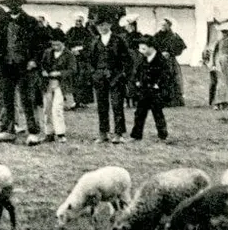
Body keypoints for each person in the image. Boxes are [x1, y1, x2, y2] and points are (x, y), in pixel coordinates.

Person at [0, 0, 45, 145]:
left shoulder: (30, 21)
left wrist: (34, 60)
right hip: (6, 65)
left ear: (20, 5)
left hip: (25, 66)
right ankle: (8, 130)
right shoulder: (2, 21)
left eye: (15, 5)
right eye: (9, 5)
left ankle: (33, 132)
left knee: (27, 99)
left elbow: (40, 44)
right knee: (7, 99)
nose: (12, 8)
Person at [87, 14, 133, 143]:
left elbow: (127, 60)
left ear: (110, 25)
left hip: (115, 77)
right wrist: (94, 74)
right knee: (102, 106)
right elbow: (91, 61)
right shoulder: (95, 42)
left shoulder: (119, 40)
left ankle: (119, 134)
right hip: (100, 78)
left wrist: (122, 75)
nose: (102, 27)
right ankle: (103, 133)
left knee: (117, 105)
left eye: (104, 24)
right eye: (99, 25)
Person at [130, 35, 170, 143]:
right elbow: (137, 72)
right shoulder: (142, 59)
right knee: (139, 113)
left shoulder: (160, 60)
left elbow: (165, 74)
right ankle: (136, 135)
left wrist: (159, 84)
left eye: (143, 49)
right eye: (140, 48)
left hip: (155, 91)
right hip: (143, 90)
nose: (141, 51)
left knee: (157, 113)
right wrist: (137, 81)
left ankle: (162, 135)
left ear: (152, 47)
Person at [40, 35, 76, 142]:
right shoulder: (47, 52)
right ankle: (48, 133)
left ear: (63, 43)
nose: (55, 46)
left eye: (58, 44)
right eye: (53, 44)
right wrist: (43, 71)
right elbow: (42, 65)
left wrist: (60, 73)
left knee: (57, 108)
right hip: (47, 83)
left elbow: (72, 70)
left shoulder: (69, 54)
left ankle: (60, 133)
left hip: (61, 84)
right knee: (47, 109)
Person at [154, 18, 187, 107]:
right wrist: (160, 53)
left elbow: (180, 47)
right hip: (159, 61)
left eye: (164, 25)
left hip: (170, 61)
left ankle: (173, 101)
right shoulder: (156, 36)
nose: (162, 27)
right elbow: (152, 47)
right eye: (161, 25)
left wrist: (170, 53)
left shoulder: (174, 36)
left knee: (173, 79)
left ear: (169, 26)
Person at [65, 15, 94, 109]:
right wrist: (71, 50)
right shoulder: (71, 31)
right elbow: (66, 42)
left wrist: (81, 52)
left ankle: (83, 101)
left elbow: (89, 45)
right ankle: (76, 100)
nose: (78, 23)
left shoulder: (86, 32)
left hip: (83, 60)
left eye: (80, 21)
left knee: (82, 80)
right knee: (74, 80)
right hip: (72, 59)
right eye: (76, 21)